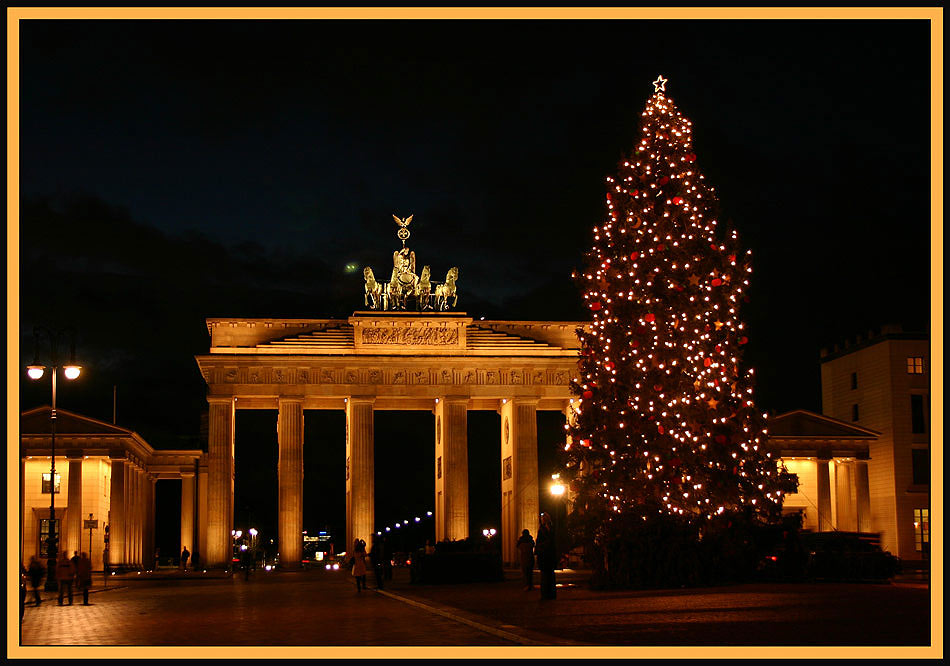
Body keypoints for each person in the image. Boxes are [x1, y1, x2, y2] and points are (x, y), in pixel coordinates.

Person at [535, 512, 557, 600]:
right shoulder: (545, 529)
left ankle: (549, 594)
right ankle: (547, 594)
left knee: (548, 575)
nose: (542, 519)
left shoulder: (549, 528)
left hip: (548, 555)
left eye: (543, 518)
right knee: (546, 576)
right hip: (546, 555)